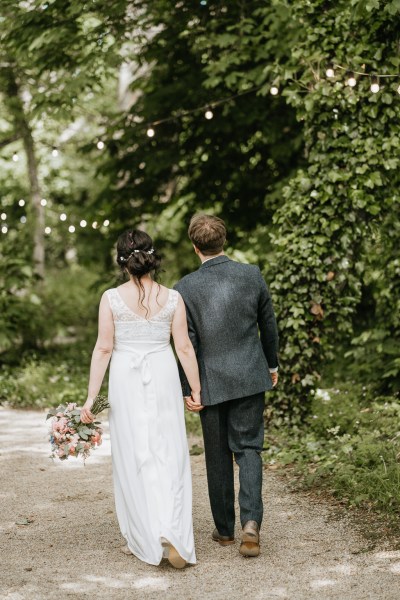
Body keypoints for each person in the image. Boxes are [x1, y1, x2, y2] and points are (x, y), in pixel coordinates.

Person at [80, 229, 201, 569]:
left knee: (135, 452)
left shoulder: (111, 298)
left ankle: (144, 535)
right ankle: (173, 531)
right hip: (162, 373)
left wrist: (91, 398)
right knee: (168, 450)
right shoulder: (174, 298)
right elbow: (184, 347)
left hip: (125, 378)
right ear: (152, 256)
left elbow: (104, 348)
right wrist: (195, 389)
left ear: (122, 263)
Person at [174, 214, 279, 558]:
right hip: (250, 375)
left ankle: (224, 532)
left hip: (210, 383)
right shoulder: (252, 275)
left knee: (217, 456)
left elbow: (184, 342)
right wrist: (272, 363)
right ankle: (251, 523)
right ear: (224, 241)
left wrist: (189, 388)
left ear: (195, 246)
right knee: (249, 449)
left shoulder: (184, 288)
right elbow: (268, 325)